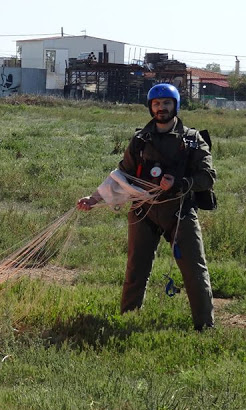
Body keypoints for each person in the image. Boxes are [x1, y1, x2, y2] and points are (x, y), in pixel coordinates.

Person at [77, 83, 216, 331]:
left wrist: (181, 183)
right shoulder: (141, 140)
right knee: (135, 270)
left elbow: (208, 177)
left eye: (166, 103)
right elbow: (121, 175)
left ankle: (205, 327)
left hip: (179, 212)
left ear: (176, 105)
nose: (161, 108)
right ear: (150, 107)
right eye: (156, 104)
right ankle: (128, 322)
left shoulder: (193, 140)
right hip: (143, 213)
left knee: (195, 272)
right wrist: (94, 198)